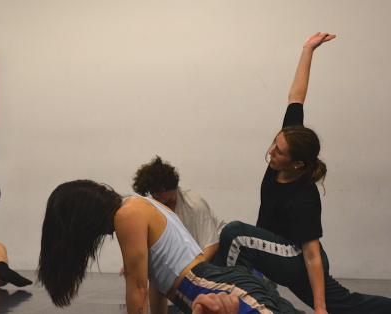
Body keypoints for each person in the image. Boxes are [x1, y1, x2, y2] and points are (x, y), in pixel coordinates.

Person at [214, 33, 391, 314]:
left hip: (298, 257)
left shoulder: (305, 197)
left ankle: (234, 300)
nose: (272, 151)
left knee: (235, 234)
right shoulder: (292, 137)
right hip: (277, 249)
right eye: (275, 144)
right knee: (348, 305)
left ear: (297, 164)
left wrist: (319, 308)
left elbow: (311, 254)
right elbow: (297, 95)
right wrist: (308, 50)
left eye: (279, 152)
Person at [38, 180, 302, 314]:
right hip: (210, 283)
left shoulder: (126, 215)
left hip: (206, 285)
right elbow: (156, 284)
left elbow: (138, 289)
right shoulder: (138, 204)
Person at [133, 156, 226, 262]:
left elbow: (211, 246)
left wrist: (193, 274)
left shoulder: (195, 205)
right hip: (191, 254)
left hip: (218, 250)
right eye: (152, 192)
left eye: (159, 192)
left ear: (171, 187)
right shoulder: (152, 205)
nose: (155, 196)